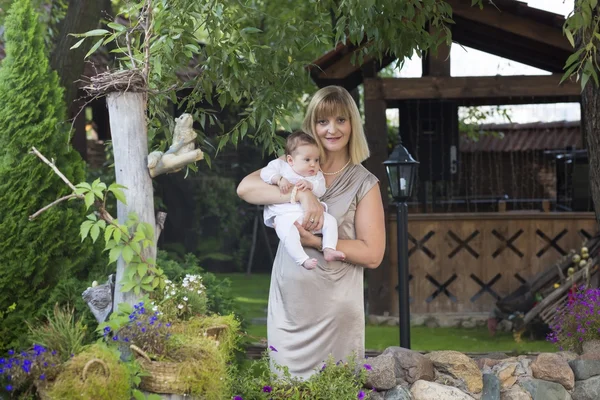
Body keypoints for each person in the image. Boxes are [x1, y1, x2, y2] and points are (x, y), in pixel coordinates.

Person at [237, 85, 385, 379]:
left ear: (353, 124)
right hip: (289, 308)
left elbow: (372, 254)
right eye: (323, 121)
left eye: (341, 120)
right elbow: (245, 189)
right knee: (284, 388)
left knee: (334, 388)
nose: (332, 129)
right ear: (312, 125)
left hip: (335, 309)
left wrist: (314, 241)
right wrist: (302, 196)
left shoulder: (364, 182)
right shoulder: (289, 166)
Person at [260, 131, 346, 270]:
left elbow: (321, 189)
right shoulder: (282, 167)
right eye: (307, 160)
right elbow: (265, 173)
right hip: (285, 215)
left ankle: (329, 248)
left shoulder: (316, 176)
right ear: (290, 160)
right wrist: (279, 179)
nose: (313, 164)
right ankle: (302, 259)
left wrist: (311, 185)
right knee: (288, 233)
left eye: (316, 160)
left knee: (330, 221)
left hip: (309, 215)